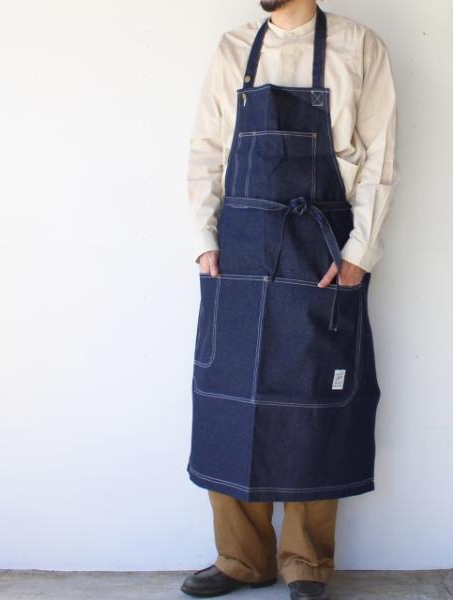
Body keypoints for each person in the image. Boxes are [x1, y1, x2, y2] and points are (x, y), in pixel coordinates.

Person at [182, 1, 399, 599]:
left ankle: (306, 562)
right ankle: (240, 559)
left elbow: (381, 159)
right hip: (239, 251)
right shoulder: (234, 47)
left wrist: (359, 254)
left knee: (316, 402)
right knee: (231, 402)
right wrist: (204, 242)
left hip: (323, 251)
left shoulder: (359, 46)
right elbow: (205, 149)